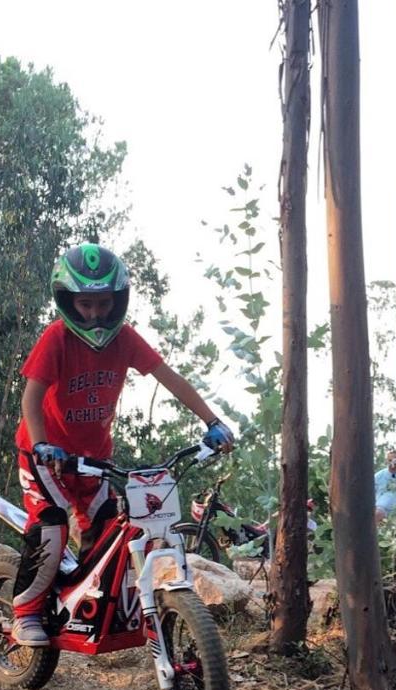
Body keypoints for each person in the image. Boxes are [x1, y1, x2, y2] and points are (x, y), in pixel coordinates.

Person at [12, 243, 234, 646]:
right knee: (53, 525)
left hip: (93, 459)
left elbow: (170, 378)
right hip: (45, 457)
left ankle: (84, 606)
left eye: (102, 303)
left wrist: (212, 421)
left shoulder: (126, 339)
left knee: (109, 529)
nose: (94, 313)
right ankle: (26, 611)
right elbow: (31, 397)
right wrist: (43, 445)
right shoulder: (57, 338)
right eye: (85, 304)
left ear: (117, 300)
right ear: (69, 302)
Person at [374, 448, 396, 523]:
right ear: (387, 461)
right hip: (381, 507)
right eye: (390, 460)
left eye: (395, 460)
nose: (393, 462)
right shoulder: (378, 476)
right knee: (378, 514)